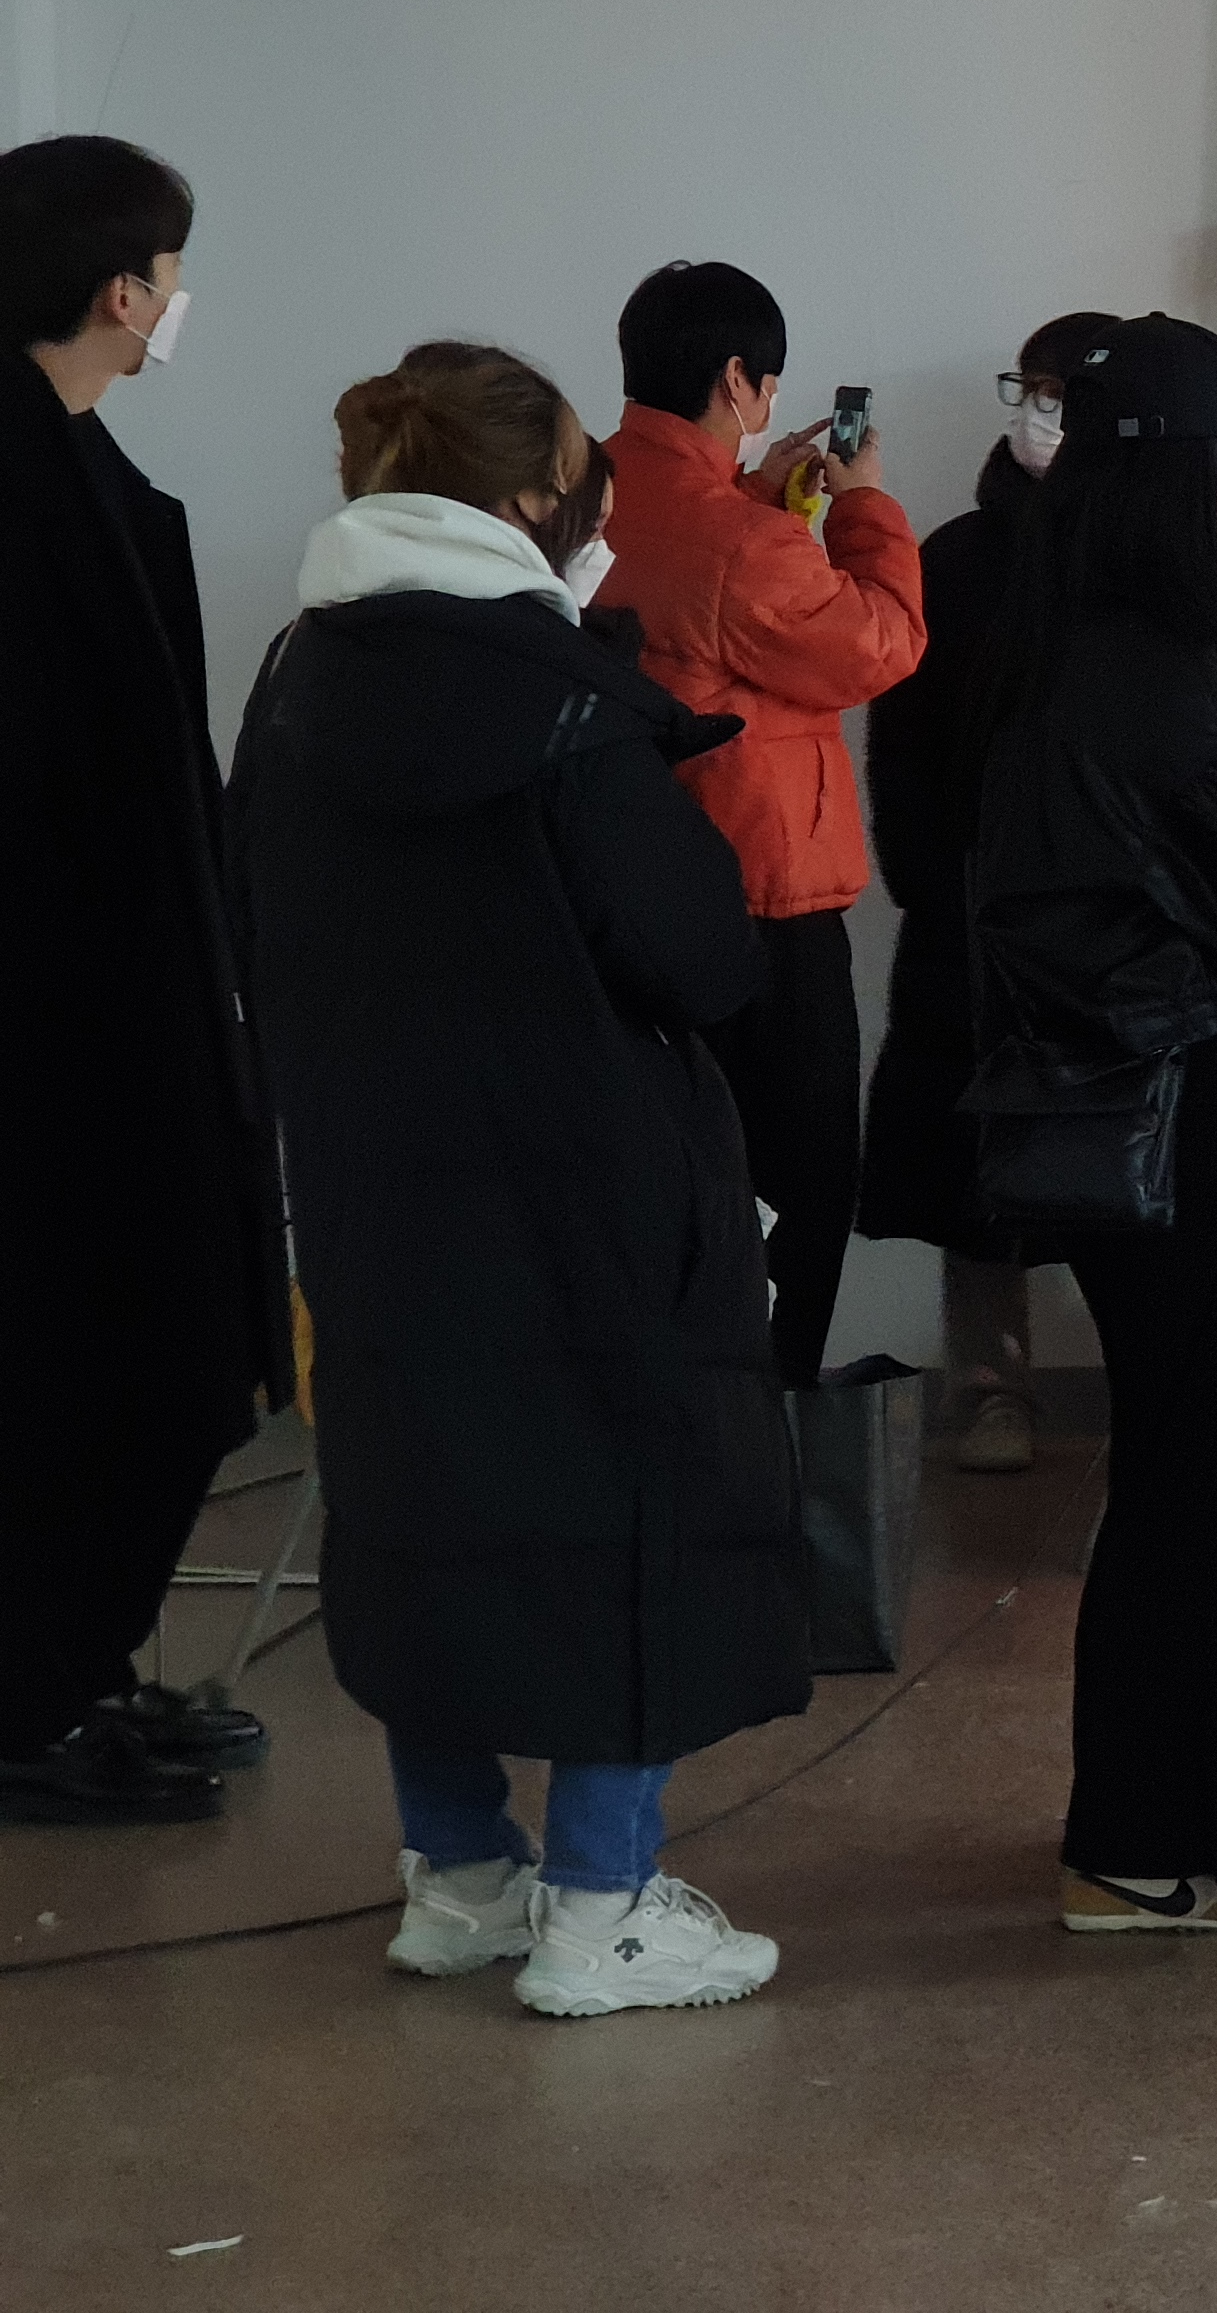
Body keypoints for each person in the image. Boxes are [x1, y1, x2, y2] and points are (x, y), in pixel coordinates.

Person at [231, 342, 803, 2014]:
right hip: (589, 1186)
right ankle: (600, 1907)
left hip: (371, 1172)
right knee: (626, 1511)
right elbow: (697, 956)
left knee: (422, 1503)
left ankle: (461, 1875)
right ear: (537, 499)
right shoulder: (565, 700)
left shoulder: (296, 676)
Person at [972, 314, 1217, 1936]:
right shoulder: (1163, 672)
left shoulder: (1058, 631)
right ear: (1189, 477)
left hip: (1139, 1090)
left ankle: (1197, 1776)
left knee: (1191, 1456)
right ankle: (1145, 1841)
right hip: (1191, 1103)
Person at [0, 135, 292, 1826]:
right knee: (111, 1343)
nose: (178, 303)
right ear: (124, 292)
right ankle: (32, 1693)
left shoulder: (76, 461)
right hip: (63, 1012)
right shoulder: (30, 482)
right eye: (171, 275)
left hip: (121, 993)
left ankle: (72, 1663)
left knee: (150, 1347)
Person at [597, 259, 926, 1386]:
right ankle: (770, 1417)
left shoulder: (587, 490)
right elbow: (880, 644)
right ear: (737, 380)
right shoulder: (745, 545)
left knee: (669, 1183)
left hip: (627, 896)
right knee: (798, 1183)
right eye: (768, 382)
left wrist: (758, 495)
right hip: (765, 901)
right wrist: (865, 505)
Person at [859, 310, 1122, 1474]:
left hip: (1110, 915)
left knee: (1118, 1157)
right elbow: (901, 741)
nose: (1041, 414)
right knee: (969, 1166)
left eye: (1065, 395)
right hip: (968, 904)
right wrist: (929, 880)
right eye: (1032, 389)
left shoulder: (1141, 560)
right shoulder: (955, 558)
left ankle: (1139, 1380)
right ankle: (988, 1389)